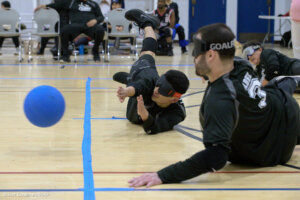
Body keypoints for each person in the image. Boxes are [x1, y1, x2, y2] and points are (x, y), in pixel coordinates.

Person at [128, 23, 300, 188]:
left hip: (273, 148)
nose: (193, 58)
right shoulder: (241, 66)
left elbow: (216, 156)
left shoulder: (220, 99)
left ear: (211, 55)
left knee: (282, 82)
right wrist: (208, 72)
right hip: (282, 108)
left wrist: (163, 175)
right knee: (282, 83)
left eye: (196, 54)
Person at [113, 9, 189, 134]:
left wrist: (145, 115)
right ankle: (147, 23)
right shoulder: (152, 84)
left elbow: (153, 128)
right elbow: (140, 87)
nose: (156, 90)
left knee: (135, 76)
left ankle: (128, 79)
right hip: (143, 72)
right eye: (159, 85)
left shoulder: (177, 113)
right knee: (148, 53)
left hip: (138, 93)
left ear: (174, 99)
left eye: (162, 90)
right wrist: (126, 91)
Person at [35, 0, 105, 62]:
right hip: (75, 25)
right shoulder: (71, 2)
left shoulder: (94, 4)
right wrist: (44, 6)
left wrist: (96, 20)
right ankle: (66, 55)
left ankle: (95, 52)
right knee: (64, 30)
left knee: (100, 30)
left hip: (90, 25)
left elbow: (101, 17)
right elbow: (57, 5)